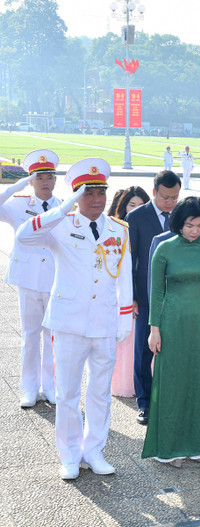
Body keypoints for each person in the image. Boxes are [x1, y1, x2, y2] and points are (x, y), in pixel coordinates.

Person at [16, 158, 133, 480]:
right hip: (68, 323)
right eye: (87, 193)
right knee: (67, 394)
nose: (96, 199)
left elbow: (124, 278)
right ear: (75, 195)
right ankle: (68, 455)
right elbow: (24, 237)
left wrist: (124, 320)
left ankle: (94, 450)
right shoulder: (61, 225)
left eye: (100, 192)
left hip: (104, 323)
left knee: (99, 393)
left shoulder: (117, 229)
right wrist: (62, 208)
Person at [143, 196, 200, 466]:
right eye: (190, 225)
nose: (195, 230)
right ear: (179, 222)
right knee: (173, 381)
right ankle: (172, 447)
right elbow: (156, 292)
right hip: (172, 320)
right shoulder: (164, 248)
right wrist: (154, 329)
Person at [1, 149, 61, 407]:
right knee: (29, 335)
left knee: (52, 336)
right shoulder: (18, 204)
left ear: (55, 179)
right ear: (31, 180)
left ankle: (49, 386)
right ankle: (29, 387)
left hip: (55, 280)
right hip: (28, 278)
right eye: (39, 177)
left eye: (49, 176)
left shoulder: (63, 207)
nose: (45, 181)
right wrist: (16, 186)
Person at [126, 170, 182, 425]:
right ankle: (145, 403)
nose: (170, 202)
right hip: (146, 295)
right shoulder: (136, 217)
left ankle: (169, 400)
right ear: (154, 192)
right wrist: (132, 295)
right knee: (144, 350)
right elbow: (129, 259)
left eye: (175, 197)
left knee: (171, 350)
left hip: (176, 295)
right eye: (166, 197)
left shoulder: (182, 216)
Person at [111, 186, 150, 398]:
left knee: (140, 341)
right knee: (124, 340)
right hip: (120, 293)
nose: (135, 210)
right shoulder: (113, 228)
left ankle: (143, 382)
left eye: (140, 205)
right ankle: (124, 382)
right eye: (131, 205)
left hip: (141, 294)